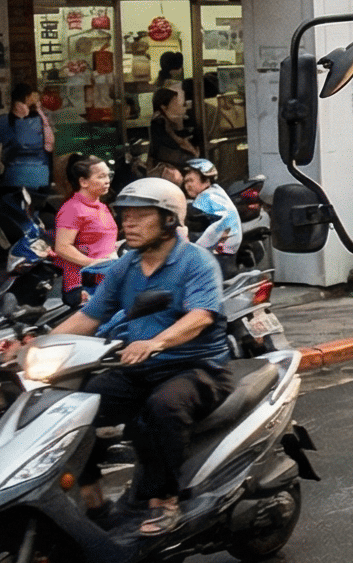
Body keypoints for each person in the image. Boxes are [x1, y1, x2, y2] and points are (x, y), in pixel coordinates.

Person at [47, 177, 231, 536]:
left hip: (196, 368)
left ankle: (165, 502)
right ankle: (95, 502)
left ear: (167, 220)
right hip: (139, 366)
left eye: (140, 216)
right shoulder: (126, 266)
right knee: (75, 406)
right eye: (125, 216)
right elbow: (89, 316)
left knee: (163, 407)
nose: (128, 224)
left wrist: (157, 342)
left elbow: (201, 316)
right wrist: (37, 346)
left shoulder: (197, 262)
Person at [51, 154, 119, 301]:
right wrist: (94, 264)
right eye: (101, 176)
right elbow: (62, 247)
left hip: (106, 281)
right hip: (84, 286)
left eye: (108, 175)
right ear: (83, 182)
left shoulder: (101, 206)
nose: (107, 181)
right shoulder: (72, 209)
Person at [0, 91, 54, 242]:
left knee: (33, 217)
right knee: (18, 219)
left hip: (37, 179)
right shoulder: (3, 121)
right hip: (14, 180)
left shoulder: (40, 121)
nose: (32, 108)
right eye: (29, 104)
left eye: (36, 105)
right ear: (16, 103)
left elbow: (49, 145)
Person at [175, 158, 242, 276]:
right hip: (226, 251)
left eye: (191, 181)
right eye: (185, 182)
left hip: (219, 253)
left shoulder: (207, 197)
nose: (187, 185)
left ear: (206, 181)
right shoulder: (216, 192)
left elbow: (194, 215)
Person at [146, 88, 199, 175]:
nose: (178, 104)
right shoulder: (158, 122)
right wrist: (190, 158)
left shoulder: (168, 121)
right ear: (164, 106)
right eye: (175, 102)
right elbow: (166, 148)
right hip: (166, 169)